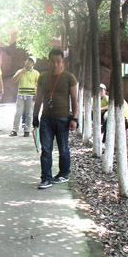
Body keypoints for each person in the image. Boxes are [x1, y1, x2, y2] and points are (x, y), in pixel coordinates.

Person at [32, 48, 79, 189]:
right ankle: (46, 178)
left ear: (63, 62)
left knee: (63, 149)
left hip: (63, 119)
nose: (55, 64)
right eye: (53, 61)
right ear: (48, 62)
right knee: (46, 149)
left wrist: (75, 118)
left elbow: (74, 99)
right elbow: (39, 98)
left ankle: (64, 174)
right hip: (46, 119)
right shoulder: (43, 77)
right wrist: (35, 115)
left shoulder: (69, 78)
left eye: (58, 61)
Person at [10, 57, 40, 137]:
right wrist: (22, 72)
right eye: (27, 61)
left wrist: (36, 94)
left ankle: (27, 130)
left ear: (33, 64)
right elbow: (13, 80)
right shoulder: (20, 71)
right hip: (21, 96)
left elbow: (39, 85)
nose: (28, 63)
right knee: (18, 113)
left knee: (29, 114)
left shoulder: (36, 73)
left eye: (30, 62)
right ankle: (14, 130)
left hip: (31, 96)